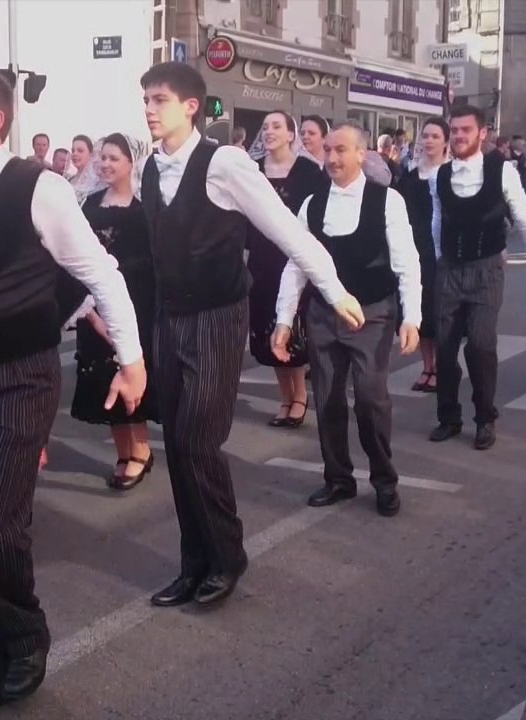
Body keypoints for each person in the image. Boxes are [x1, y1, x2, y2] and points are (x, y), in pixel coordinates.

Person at [0, 70, 145, 720]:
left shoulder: (37, 188)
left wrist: (130, 359)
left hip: (22, 378)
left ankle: (22, 636)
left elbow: (98, 272)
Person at [137, 62, 362, 611]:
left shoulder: (225, 162)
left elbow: (286, 229)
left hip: (218, 316)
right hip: (169, 317)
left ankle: (226, 556)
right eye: (145, 98)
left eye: (159, 99)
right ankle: (195, 563)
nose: (148, 108)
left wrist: (332, 289)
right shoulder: (150, 168)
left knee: (198, 441)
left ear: (191, 106)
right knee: (177, 445)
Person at [270, 122, 422, 516]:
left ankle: (384, 480)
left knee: (371, 399)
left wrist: (412, 317)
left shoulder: (387, 201)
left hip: (372, 313)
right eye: (329, 151)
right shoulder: (312, 204)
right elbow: (296, 266)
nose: (333, 158)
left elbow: (407, 262)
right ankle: (338, 478)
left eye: (342, 150)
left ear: (361, 154)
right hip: (322, 314)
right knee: (329, 398)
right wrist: (284, 320)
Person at [429, 105, 526, 451]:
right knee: (446, 347)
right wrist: (439, 259)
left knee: (481, 345)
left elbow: (525, 219)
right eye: (455, 130)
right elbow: (437, 220)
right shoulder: (441, 174)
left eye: (466, 130)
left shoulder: (502, 171)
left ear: (482, 133)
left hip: (486, 269)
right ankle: (448, 417)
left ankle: (485, 418)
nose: (459, 136)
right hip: (450, 268)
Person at [66, 133, 159, 489]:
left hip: (137, 303)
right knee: (104, 377)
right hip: (95, 303)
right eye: (102, 158)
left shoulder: (146, 207)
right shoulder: (87, 204)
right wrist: (88, 309)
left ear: (131, 163)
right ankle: (125, 452)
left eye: (114, 158)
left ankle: (140, 450)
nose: (105, 164)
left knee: (131, 369)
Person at [246, 111, 326, 428]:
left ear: (291, 134)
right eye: (265, 127)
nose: (269, 132)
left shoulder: (307, 171)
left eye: (277, 126)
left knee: (291, 328)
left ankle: (300, 397)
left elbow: (317, 217)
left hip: (294, 261)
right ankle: (284, 396)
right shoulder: (252, 171)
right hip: (262, 261)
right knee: (267, 331)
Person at [394, 118, 451, 393]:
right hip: (414, 250)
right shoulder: (409, 176)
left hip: (443, 252)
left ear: (445, 142)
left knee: (440, 311)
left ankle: (441, 367)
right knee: (421, 311)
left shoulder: (452, 174)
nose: (429, 141)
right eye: (425, 136)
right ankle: (427, 367)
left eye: (435, 136)